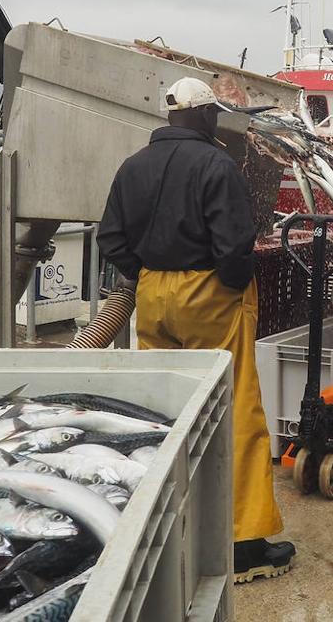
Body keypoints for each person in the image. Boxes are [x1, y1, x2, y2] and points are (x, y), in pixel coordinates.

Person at [97, 77, 293, 584]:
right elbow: (233, 246)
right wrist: (229, 282)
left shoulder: (132, 166)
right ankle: (242, 543)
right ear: (205, 116)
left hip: (152, 295)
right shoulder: (215, 163)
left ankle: (168, 524)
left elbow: (110, 238)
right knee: (235, 410)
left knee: (165, 411)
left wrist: (145, 274)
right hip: (209, 296)